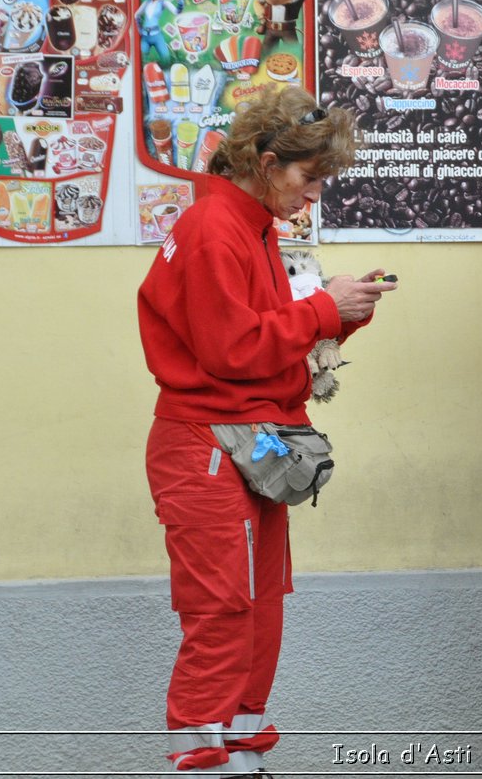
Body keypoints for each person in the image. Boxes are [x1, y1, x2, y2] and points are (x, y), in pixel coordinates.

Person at [138, 85, 394, 774]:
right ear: (268, 160)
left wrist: (342, 310)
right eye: (308, 179)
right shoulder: (216, 230)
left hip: (249, 441)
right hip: (210, 442)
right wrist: (321, 308)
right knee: (223, 607)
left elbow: (265, 341)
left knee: (260, 604)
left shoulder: (242, 225)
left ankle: (240, 749)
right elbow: (232, 351)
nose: (313, 194)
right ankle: (201, 754)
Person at [137, 0, 184, 65]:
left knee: (166, 58)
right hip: (145, 37)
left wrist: (180, 2)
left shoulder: (164, 3)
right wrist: (139, 28)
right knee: (140, 59)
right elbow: (136, 15)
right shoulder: (146, 3)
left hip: (157, 35)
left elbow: (177, 12)